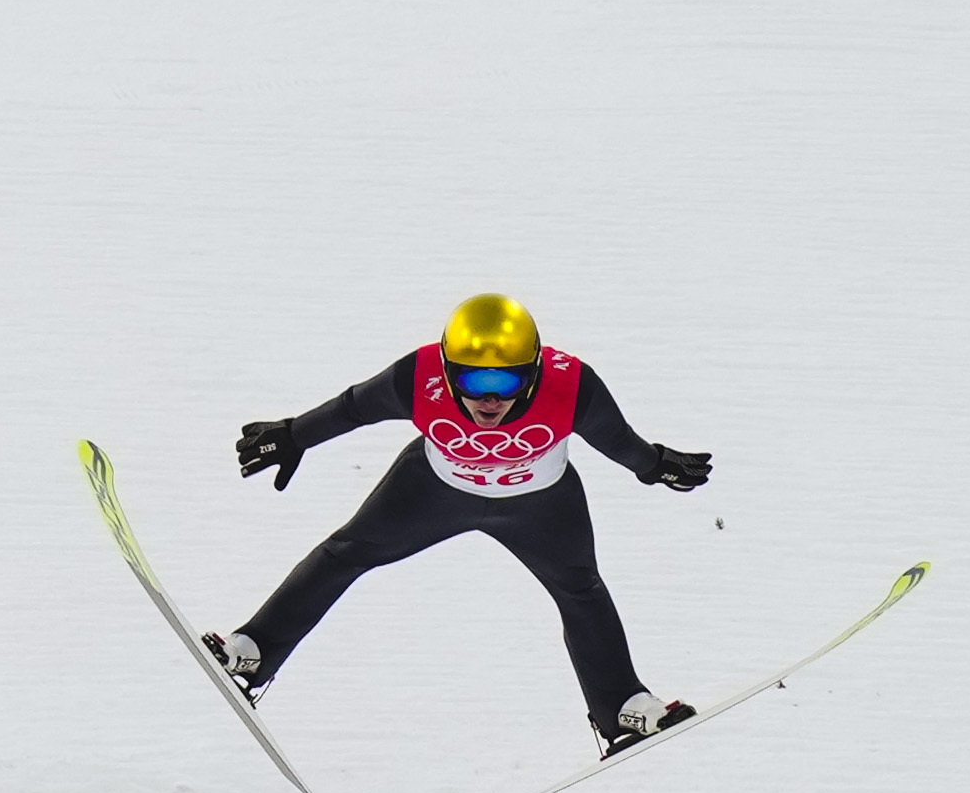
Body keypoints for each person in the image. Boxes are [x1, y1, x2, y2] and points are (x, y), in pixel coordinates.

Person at [211, 294, 716, 753]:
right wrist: (295, 435)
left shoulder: (571, 385)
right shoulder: (419, 377)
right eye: (475, 382)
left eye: (508, 381)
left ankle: (622, 709)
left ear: (535, 371)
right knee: (346, 553)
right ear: (450, 372)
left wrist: (653, 465)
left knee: (580, 591)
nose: (490, 400)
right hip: (432, 491)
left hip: (539, 504)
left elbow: (617, 438)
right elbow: (354, 408)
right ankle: (252, 652)